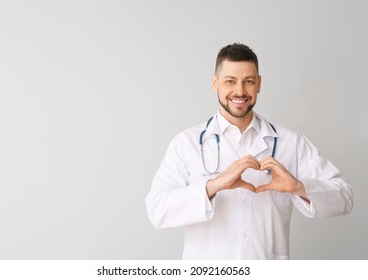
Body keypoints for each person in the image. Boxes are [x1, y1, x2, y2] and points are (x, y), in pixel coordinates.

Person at [145, 43, 353, 260]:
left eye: (249, 81)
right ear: (215, 83)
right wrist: (213, 185)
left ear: (259, 84)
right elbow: (157, 210)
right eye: (230, 81)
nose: (240, 91)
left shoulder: (290, 143)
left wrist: (299, 187)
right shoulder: (186, 143)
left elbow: (344, 197)